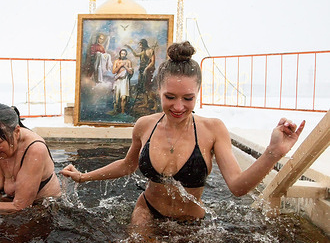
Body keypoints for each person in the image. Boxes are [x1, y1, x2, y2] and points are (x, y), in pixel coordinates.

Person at [61, 41, 305, 225]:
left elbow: (238, 187)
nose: (178, 107)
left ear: (198, 91)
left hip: (192, 222)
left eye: (188, 98)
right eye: (170, 97)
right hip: (146, 211)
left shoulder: (213, 129)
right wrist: (84, 177)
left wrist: (273, 153)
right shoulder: (144, 125)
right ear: (158, 90)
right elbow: (127, 165)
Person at [125, 39, 157, 110]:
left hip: (147, 70)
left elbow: (152, 62)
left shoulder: (150, 51)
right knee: (142, 88)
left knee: (147, 87)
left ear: (143, 44)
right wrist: (130, 48)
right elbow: (136, 55)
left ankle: (155, 104)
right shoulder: (143, 51)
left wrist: (146, 69)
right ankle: (145, 103)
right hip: (142, 70)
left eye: (140, 44)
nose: (139, 46)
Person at [108, 48, 133, 115]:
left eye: (124, 54)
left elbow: (130, 72)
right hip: (118, 81)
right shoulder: (116, 61)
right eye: (122, 53)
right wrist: (120, 65)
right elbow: (113, 71)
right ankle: (115, 110)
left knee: (123, 97)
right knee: (116, 97)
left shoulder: (128, 62)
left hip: (125, 81)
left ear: (126, 54)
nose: (123, 55)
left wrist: (124, 66)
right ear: (120, 54)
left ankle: (122, 111)